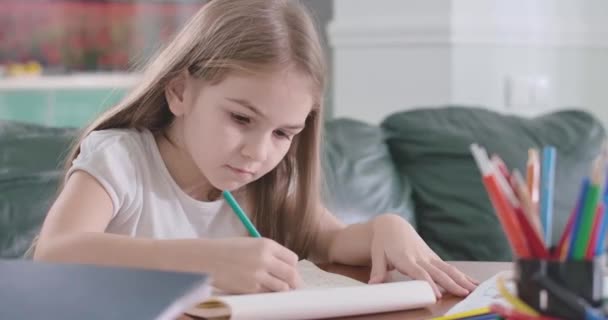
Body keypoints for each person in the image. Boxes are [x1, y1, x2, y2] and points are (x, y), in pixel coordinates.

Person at [34, 0, 477, 297]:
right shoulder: (121, 159)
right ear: (179, 92)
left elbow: (336, 241)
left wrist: (386, 227)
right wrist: (202, 262)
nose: (256, 153)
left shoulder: (266, 183)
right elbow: (56, 252)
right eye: (241, 119)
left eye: (283, 133)